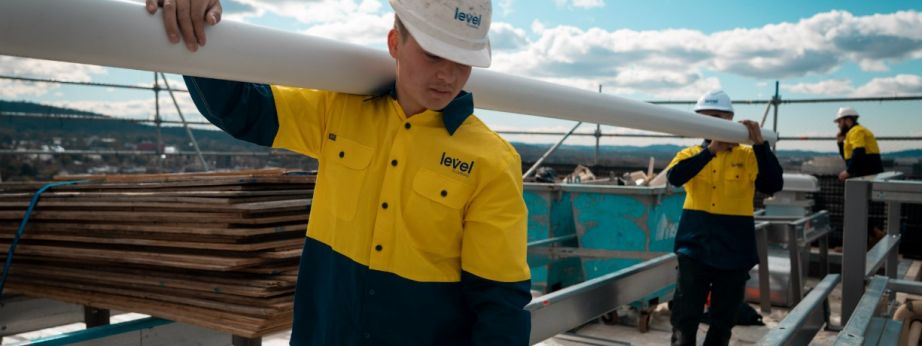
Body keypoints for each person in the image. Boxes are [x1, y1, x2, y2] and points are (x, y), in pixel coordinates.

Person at [146, 0, 532, 345]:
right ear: (396, 43)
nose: (448, 75)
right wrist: (194, 28)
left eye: (462, 61)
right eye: (434, 55)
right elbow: (244, 109)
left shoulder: (492, 161)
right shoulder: (340, 110)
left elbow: (500, 301)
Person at [666, 90, 783, 346]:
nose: (711, 124)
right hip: (694, 247)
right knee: (684, 318)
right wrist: (710, 152)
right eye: (705, 118)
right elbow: (674, 178)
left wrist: (760, 144)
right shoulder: (689, 155)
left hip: (733, 250)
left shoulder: (749, 155)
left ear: (730, 118)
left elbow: (773, 183)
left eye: (717, 117)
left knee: (722, 321)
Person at [835, 107, 883, 181]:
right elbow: (847, 157)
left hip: (865, 175)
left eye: (839, 121)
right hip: (865, 174)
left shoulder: (856, 131)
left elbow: (859, 151)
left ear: (847, 120)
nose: (838, 125)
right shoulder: (852, 133)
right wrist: (840, 144)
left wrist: (849, 171)